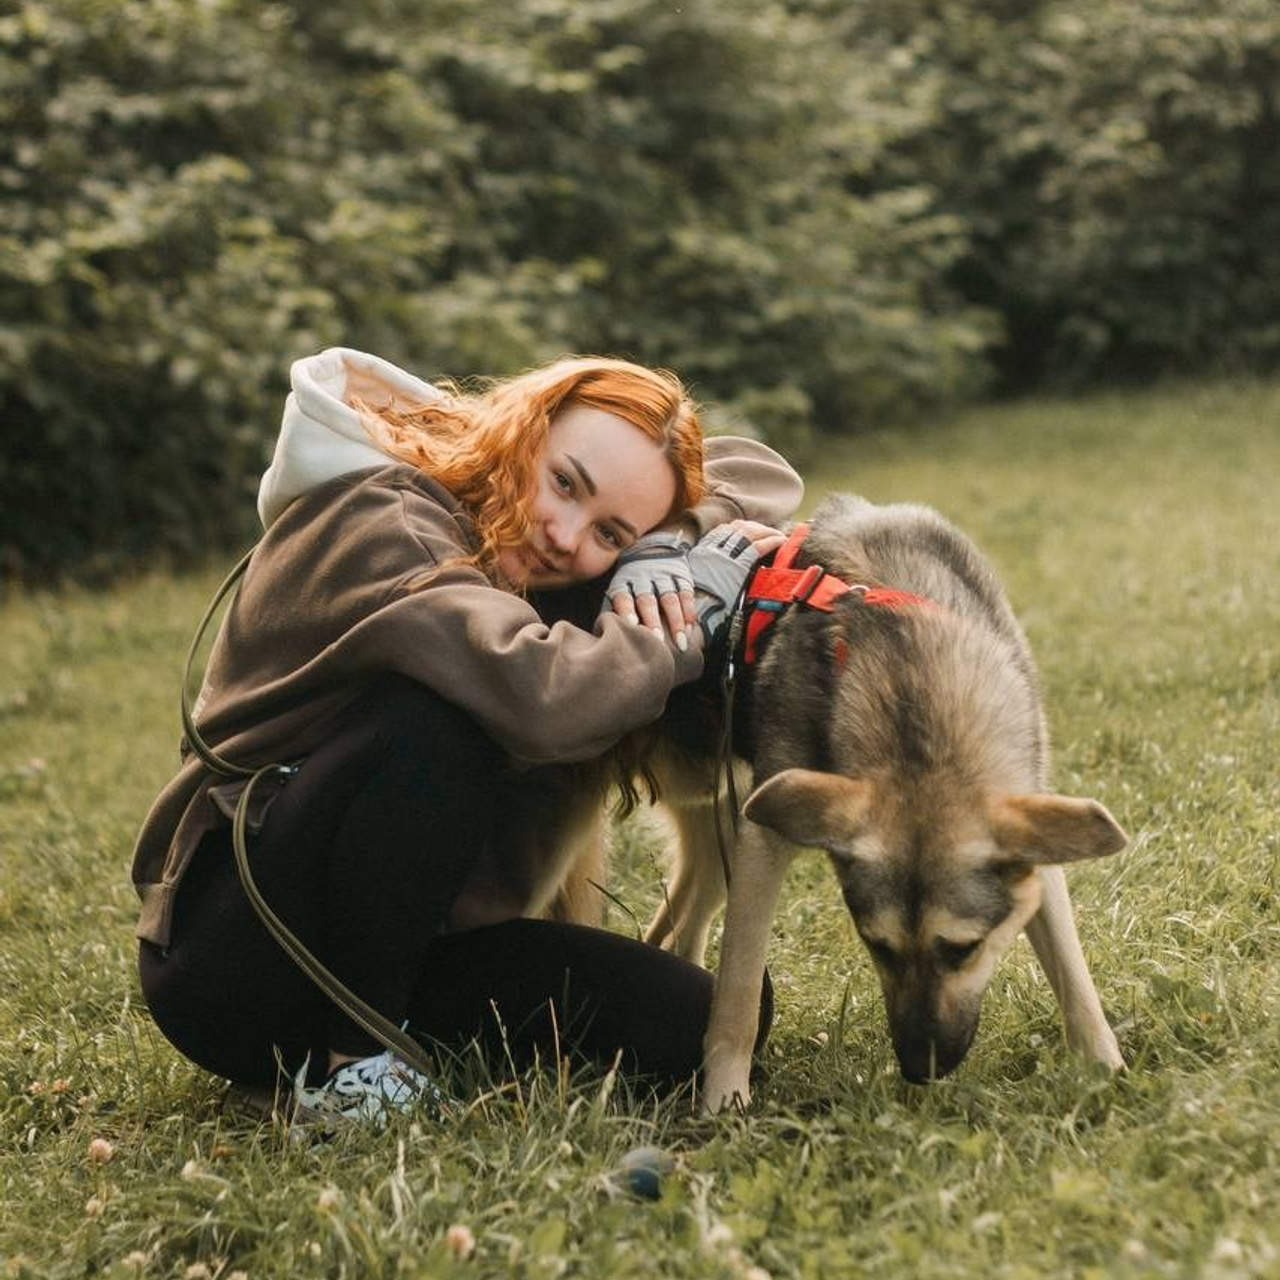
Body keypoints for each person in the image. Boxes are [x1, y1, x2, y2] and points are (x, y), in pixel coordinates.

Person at [131, 346, 803, 1126]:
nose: (565, 535)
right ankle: (353, 1072)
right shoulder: (386, 522)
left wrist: (664, 545)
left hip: (414, 950)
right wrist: (677, 627)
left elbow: (760, 473)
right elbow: (542, 699)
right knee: (436, 722)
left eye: (609, 531)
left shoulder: (526, 536)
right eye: (565, 483)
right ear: (521, 429)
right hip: (238, 957)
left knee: (704, 1019)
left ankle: (388, 1039)